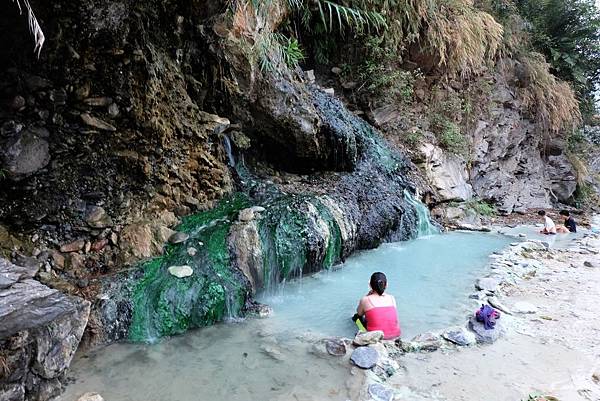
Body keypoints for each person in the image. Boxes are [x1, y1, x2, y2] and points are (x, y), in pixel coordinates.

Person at [354, 272, 401, 340]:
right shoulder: (392, 298)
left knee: (356, 318)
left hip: (375, 337)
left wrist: (367, 296)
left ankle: (363, 332)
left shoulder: (365, 299)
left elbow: (359, 313)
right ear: (386, 285)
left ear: (370, 285)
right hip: (396, 335)